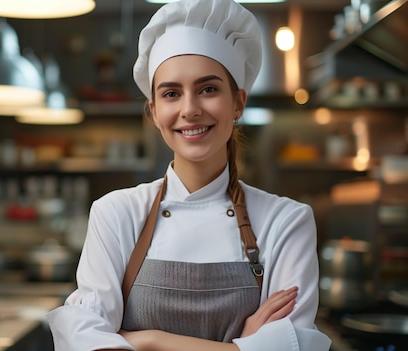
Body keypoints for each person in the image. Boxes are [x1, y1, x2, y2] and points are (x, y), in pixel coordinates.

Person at [46, 0, 332, 350]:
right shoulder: (116, 213)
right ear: (154, 111)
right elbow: (83, 342)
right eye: (171, 94)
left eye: (208, 89)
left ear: (238, 102)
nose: (190, 109)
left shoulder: (285, 221)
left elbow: (295, 347)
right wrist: (240, 347)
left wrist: (146, 341)